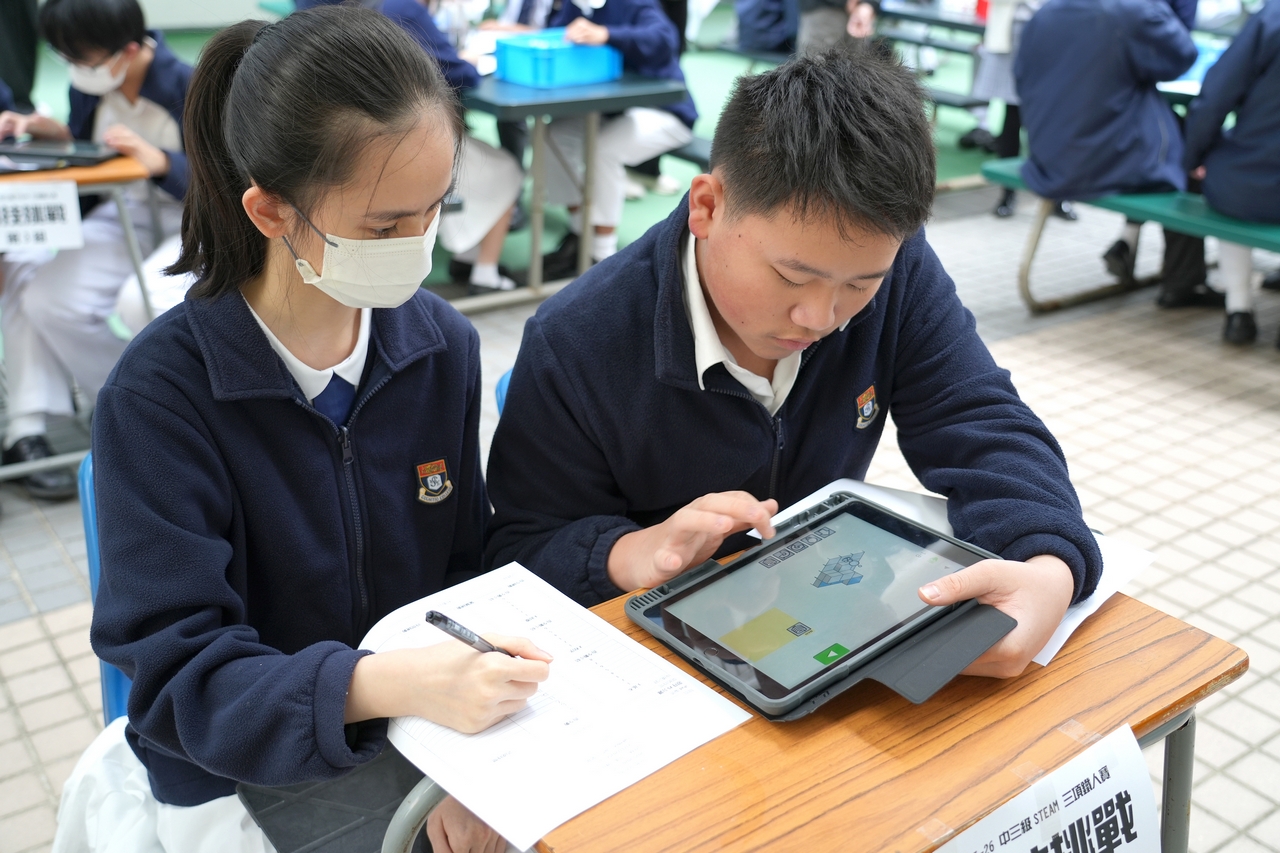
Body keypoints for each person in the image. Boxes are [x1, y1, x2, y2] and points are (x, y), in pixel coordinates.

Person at [58, 8, 550, 852]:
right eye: (383, 227)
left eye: (434, 209)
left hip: (417, 735)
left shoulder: (441, 347)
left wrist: (470, 766)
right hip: (231, 770)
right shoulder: (160, 395)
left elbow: (464, 576)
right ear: (270, 211)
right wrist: (381, 685)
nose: (419, 246)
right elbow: (179, 681)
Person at [486, 48, 1104, 681]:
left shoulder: (897, 268)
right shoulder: (577, 340)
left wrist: (1049, 567)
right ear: (707, 206)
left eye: (859, 285)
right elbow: (521, 547)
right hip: (661, 664)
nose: (821, 317)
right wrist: (627, 553)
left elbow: (976, 415)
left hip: (826, 625)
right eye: (791, 276)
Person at [0, 0, 190, 500]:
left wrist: (163, 162)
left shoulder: (188, 86)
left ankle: (181, 419)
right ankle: (131, 409)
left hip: (193, 218)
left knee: (143, 301)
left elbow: (232, 177)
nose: (75, 70)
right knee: (47, 298)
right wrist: (56, 135)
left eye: (81, 59)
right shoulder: (89, 85)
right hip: (122, 213)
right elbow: (92, 152)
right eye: (65, 58)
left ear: (127, 50)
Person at [297, 0, 526, 295]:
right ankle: (485, 271)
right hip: (397, 141)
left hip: (358, 141)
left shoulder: (357, 12)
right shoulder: (406, 10)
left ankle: (467, 257)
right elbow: (460, 73)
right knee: (505, 168)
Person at [1015, 0, 1221, 308]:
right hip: (1103, 158)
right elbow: (1181, 56)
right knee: (1189, 157)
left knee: (1161, 141)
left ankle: (1132, 242)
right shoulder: (1132, 11)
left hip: (1048, 152)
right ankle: (1185, 281)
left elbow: (1021, 74)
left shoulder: (1047, 12)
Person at [537, 0, 699, 277]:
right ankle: (579, 233)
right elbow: (556, 34)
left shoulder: (634, 3)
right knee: (553, 135)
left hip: (665, 110)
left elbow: (664, 38)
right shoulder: (576, 5)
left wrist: (606, 34)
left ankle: (602, 254)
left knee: (604, 150)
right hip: (611, 109)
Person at [1183, 0, 1280, 345]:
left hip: (1250, 180)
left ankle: (1238, 310)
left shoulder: (1273, 16)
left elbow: (1216, 95)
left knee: (1231, 178)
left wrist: (1192, 157)